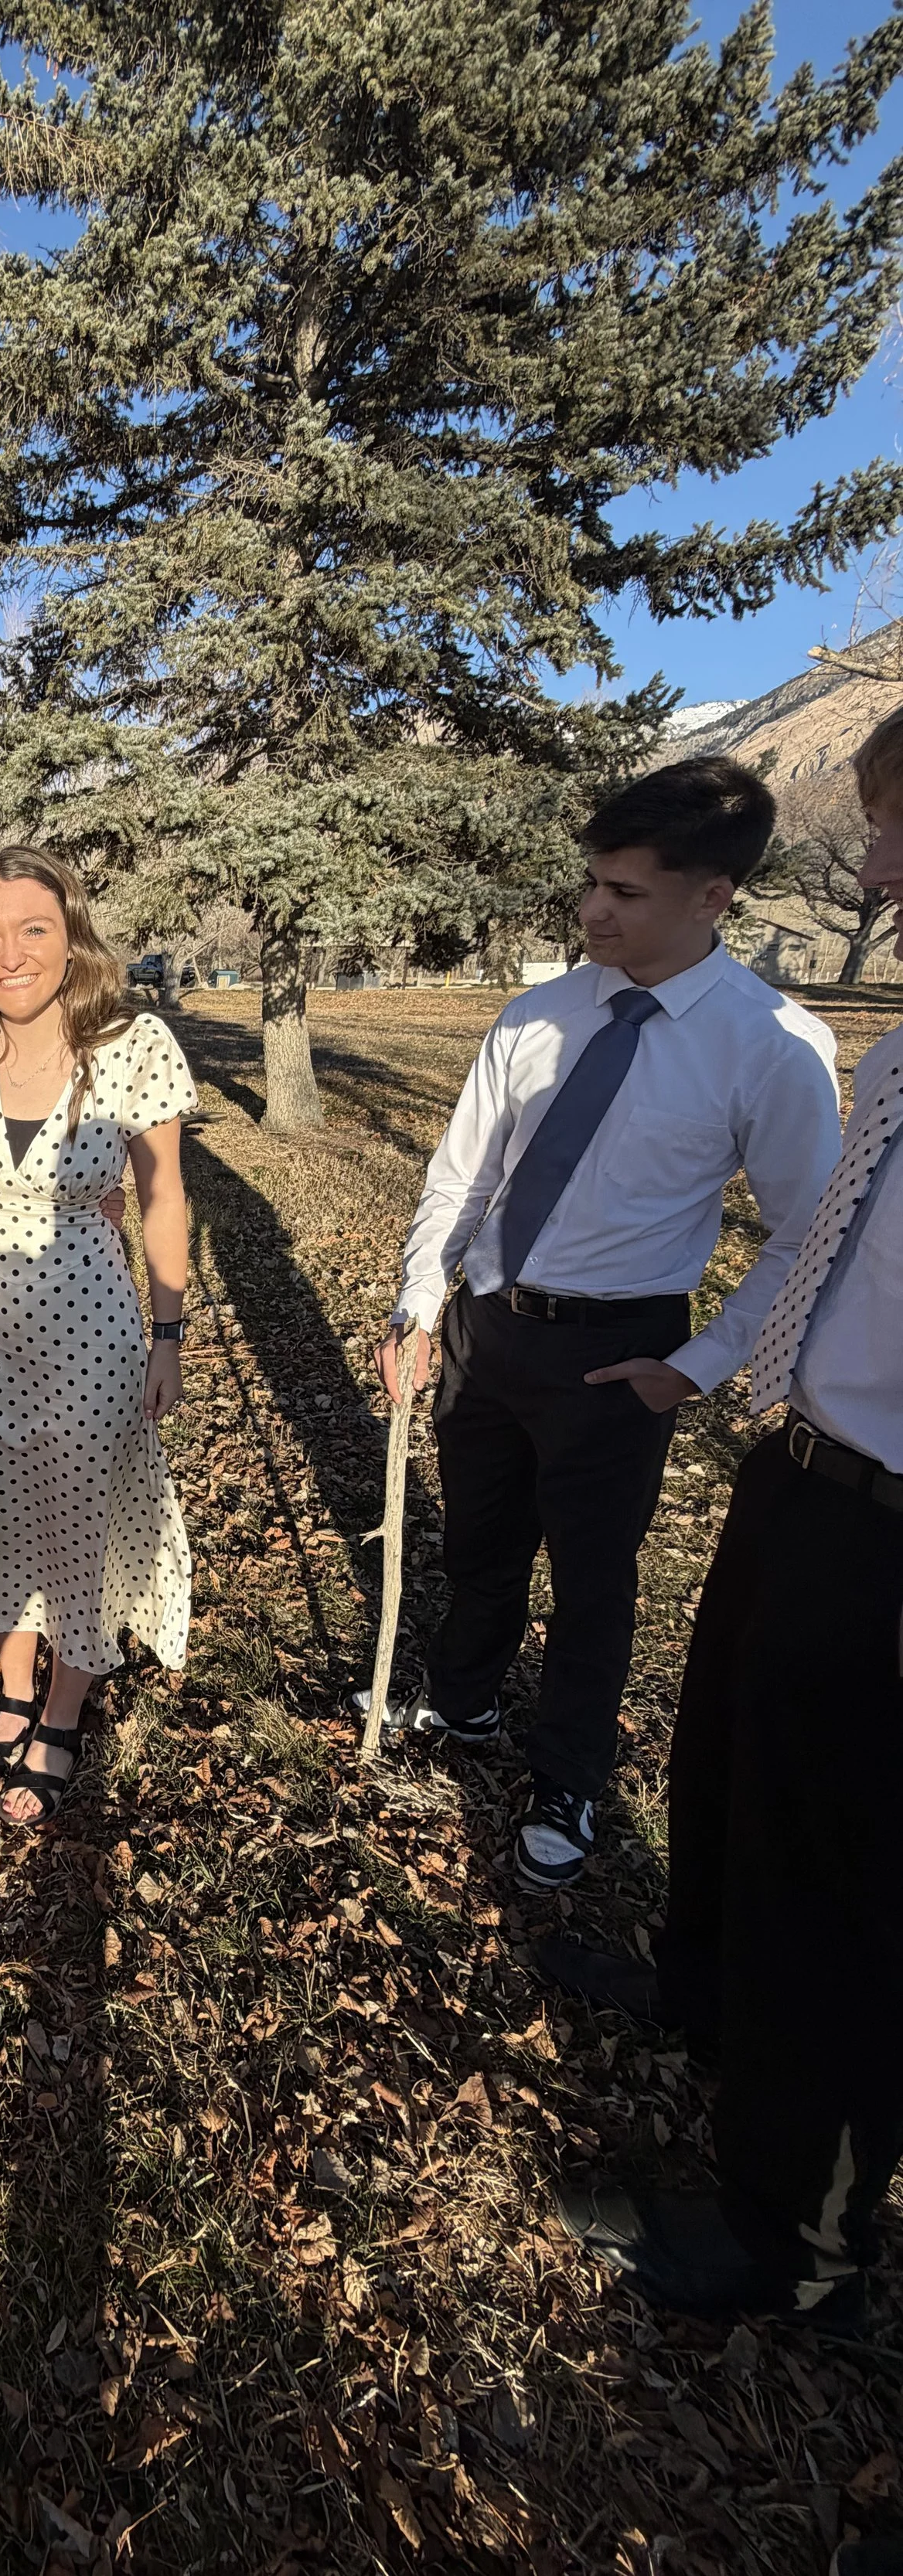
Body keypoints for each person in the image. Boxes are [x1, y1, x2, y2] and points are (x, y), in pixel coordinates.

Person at [550, 712, 903, 2326]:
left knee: (836, 1866)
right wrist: (731, 1381)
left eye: (899, 828)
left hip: (886, 1526)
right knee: (723, 1762)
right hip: (797, 1464)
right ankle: (699, 1998)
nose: (876, 863)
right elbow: (832, 1250)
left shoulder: (778, 1044)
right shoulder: (900, 1046)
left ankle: (795, 2235)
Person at [373, 757, 841, 1890]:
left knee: (594, 1583)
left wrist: (697, 1367)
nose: (594, 910)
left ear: (712, 896)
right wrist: (421, 1303)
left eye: (626, 893)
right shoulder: (536, 1016)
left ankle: (570, 1775)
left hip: (618, 1356)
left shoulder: (772, 1046)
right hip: (489, 1332)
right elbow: (461, 1175)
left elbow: (804, 1236)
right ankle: (467, 1701)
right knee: (479, 1546)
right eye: (592, 883)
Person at [0, 849, 196, 1826]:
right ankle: (10, 1691)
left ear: (71, 932)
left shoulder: (132, 1044)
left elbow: (162, 1196)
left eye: (32, 928)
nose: (11, 955)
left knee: (79, 1518)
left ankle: (64, 1707)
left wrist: (167, 1334)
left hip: (89, 1333)